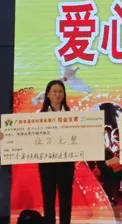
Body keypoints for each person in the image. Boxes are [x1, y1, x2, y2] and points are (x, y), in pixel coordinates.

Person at [39, 79, 75, 224]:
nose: (57, 95)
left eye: (60, 91)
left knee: (66, 198)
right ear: (48, 94)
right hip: (46, 163)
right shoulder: (39, 115)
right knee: (48, 197)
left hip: (66, 163)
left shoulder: (72, 114)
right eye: (54, 91)